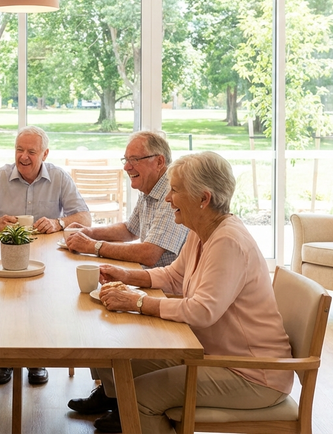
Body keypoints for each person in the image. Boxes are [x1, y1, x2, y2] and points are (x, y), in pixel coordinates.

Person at [68, 151, 293, 433]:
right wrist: (126, 275)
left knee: (139, 395)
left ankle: (136, 418)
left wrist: (137, 302)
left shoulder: (228, 242)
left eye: (175, 190)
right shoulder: (202, 231)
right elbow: (174, 275)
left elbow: (201, 311)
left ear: (204, 199)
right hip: (210, 353)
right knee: (116, 358)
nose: (167, 198)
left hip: (251, 374)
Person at [0, 125, 92, 386]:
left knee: (40, 303)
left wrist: (59, 223)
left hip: (47, 258)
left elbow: (84, 217)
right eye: (19, 150)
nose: (23, 156)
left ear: (44, 154)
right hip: (5, 254)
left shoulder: (59, 177)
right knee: (4, 302)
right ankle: (3, 358)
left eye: (31, 152)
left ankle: (37, 358)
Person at [64, 131, 188, 269]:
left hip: (167, 287)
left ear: (159, 162)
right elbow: (130, 230)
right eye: (126, 160)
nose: (126, 167)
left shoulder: (171, 194)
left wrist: (93, 246)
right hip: (150, 277)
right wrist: (89, 232)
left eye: (134, 160)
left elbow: (150, 254)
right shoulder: (150, 188)